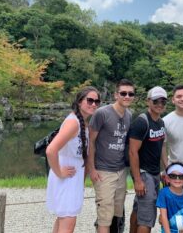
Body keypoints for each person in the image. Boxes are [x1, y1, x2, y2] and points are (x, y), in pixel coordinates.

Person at [46, 86, 101, 233]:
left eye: (97, 101)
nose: (94, 104)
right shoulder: (73, 123)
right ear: (79, 102)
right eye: (90, 100)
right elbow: (51, 150)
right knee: (68, 224)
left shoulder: (82, 123)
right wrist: (59, 172)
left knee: (63, 220)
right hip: (66, 178)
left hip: (72, 179)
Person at [88, 79, 135, 233]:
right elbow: (91, 142)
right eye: (123, 93)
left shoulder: (129, 115)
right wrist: (92, 169)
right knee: (104, 215)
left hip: (121, 170)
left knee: (117, 211)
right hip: (103, 171)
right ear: (116, 95)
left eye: (130, 94)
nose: (127, 96)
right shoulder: (102, 113)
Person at [129, 86, 168, 233]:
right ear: (148, 101)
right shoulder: (141, 122)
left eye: (163, 101)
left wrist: (167, 170)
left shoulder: (161, 122)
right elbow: (132, 152)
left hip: (155, 172)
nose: (159, 104)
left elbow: (162, 147)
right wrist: (138, 180)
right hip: (144, 173)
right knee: (148, 215)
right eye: (156, 101)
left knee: (139, 208)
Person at [156, 162, 183, 233]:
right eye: (173, 176)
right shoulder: (163, 193)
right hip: (167, 230)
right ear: (167, 178)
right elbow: (163, 216)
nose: (177, 179)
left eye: (181, 177)